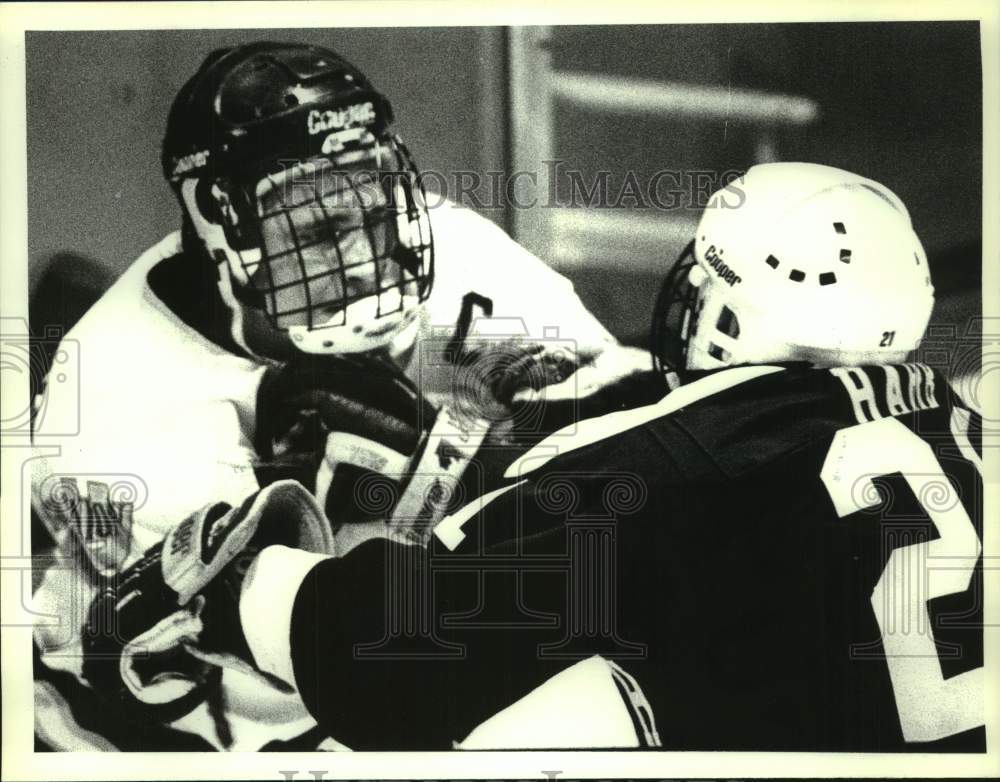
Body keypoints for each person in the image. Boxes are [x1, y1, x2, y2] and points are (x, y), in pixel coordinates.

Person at [80, 161, 985, 751]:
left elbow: (400, 653)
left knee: (572, 707)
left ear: (735, 310)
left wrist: (247, 588)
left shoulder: (659, 471)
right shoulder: (967, 420)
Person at [29, 41, 652, 751]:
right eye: (321, 232)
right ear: (216, 216)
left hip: (380, 661)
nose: (364, 258)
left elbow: (622, 424)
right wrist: (454, 472)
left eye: (373, 212)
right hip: (189, 736)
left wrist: (515, 435)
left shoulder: (449, 249)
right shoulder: (122, 402)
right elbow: (328, 658)